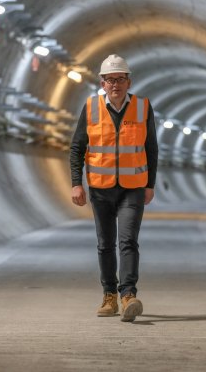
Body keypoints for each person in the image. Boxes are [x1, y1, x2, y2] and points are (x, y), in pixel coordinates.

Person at [70, 54, 158, 322]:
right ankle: (109, 295)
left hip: (133, 186)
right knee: (105, 244)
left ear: (129, 81)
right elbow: (77, 147)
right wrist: (77, 183)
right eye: (110, 80)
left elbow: (151, 148)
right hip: (100, 187)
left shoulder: (143, 107)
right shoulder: (91, 107)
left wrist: (150, 184)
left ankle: (128, 294)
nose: (115, 85)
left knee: (128, 240)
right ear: (102, 83)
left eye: (120, 79)